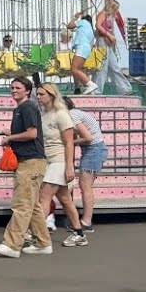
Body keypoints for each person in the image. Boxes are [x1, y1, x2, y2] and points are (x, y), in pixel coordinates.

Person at [0, 76, 49, 258]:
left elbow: (32, 133)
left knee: (22, 204)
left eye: (17, 87)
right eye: (12, 87)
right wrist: (11, 133)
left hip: (30, 161)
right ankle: (43, 243)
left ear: (27, 91)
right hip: (31, 160)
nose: (13, 90)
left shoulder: (28, 107)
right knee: (33, 205)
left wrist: (10, 138)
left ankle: (12, 244)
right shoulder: (21, 109)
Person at [34, 83, 85, 246]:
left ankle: (37, 234)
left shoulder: (61, 114)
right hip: (47, 160)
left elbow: (69, 142)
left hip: (59, 160)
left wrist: (69, 166)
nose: (38, 97)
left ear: (51, 95)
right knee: (64, 199)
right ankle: (79, 233)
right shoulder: (42, 114)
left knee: (44, 196)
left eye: (42, 94)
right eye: (37, 94)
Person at [64, 96, 106, 232]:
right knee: (85, 186)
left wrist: (69, 143)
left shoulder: (72, 116)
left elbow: (87, 137)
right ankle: (84, 220)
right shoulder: (74, 114)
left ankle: (86, 222)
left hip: (94, 149)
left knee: (85, 186)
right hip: (93, 149)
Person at [94, 0, 133, 94]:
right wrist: (108, 35)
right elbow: (98, 26)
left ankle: (125, 89)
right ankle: (97, 90)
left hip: (108, 43)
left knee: (115, 67)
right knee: (102, 68)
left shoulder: (110, 17)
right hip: (103, 41)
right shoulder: (103, 14)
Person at [66, 11, 99, 95]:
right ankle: (87, 87)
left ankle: (90, 84)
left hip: (81, 47)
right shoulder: (90, 30)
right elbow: (92, 45)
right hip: (86, 49)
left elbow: (69, 26)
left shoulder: (83, 22)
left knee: (74, 69)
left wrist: (76, 17)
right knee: (79, 70)